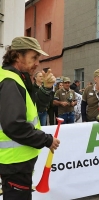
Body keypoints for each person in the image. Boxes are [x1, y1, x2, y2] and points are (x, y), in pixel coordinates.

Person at [0, 36, 60, 200]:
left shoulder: (18, 78)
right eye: (34, 57)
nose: (37, 63)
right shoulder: (10, 81)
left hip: (17, 161)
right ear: (18, 56)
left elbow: (34, 107)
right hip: (15, 163)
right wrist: (46, 140)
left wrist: (46, 89)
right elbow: (14, 124)